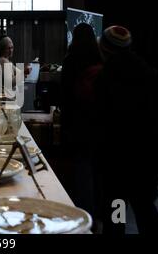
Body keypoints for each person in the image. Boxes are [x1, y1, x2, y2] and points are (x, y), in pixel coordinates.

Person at [94, 26, 158, 234]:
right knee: (145, 209)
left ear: (106, 50)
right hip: (146, 160)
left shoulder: (106, 77)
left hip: (118, 163)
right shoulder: (147, 71)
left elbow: (101, 119)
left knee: (116, 213)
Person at [60, 23, 103, 222]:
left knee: (81, 171)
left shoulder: (71, 60)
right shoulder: (99, 58)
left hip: (76, 125)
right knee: (97, 171)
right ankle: (105, 215)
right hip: (98, 124)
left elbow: (65, 95)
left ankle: (84, 216)